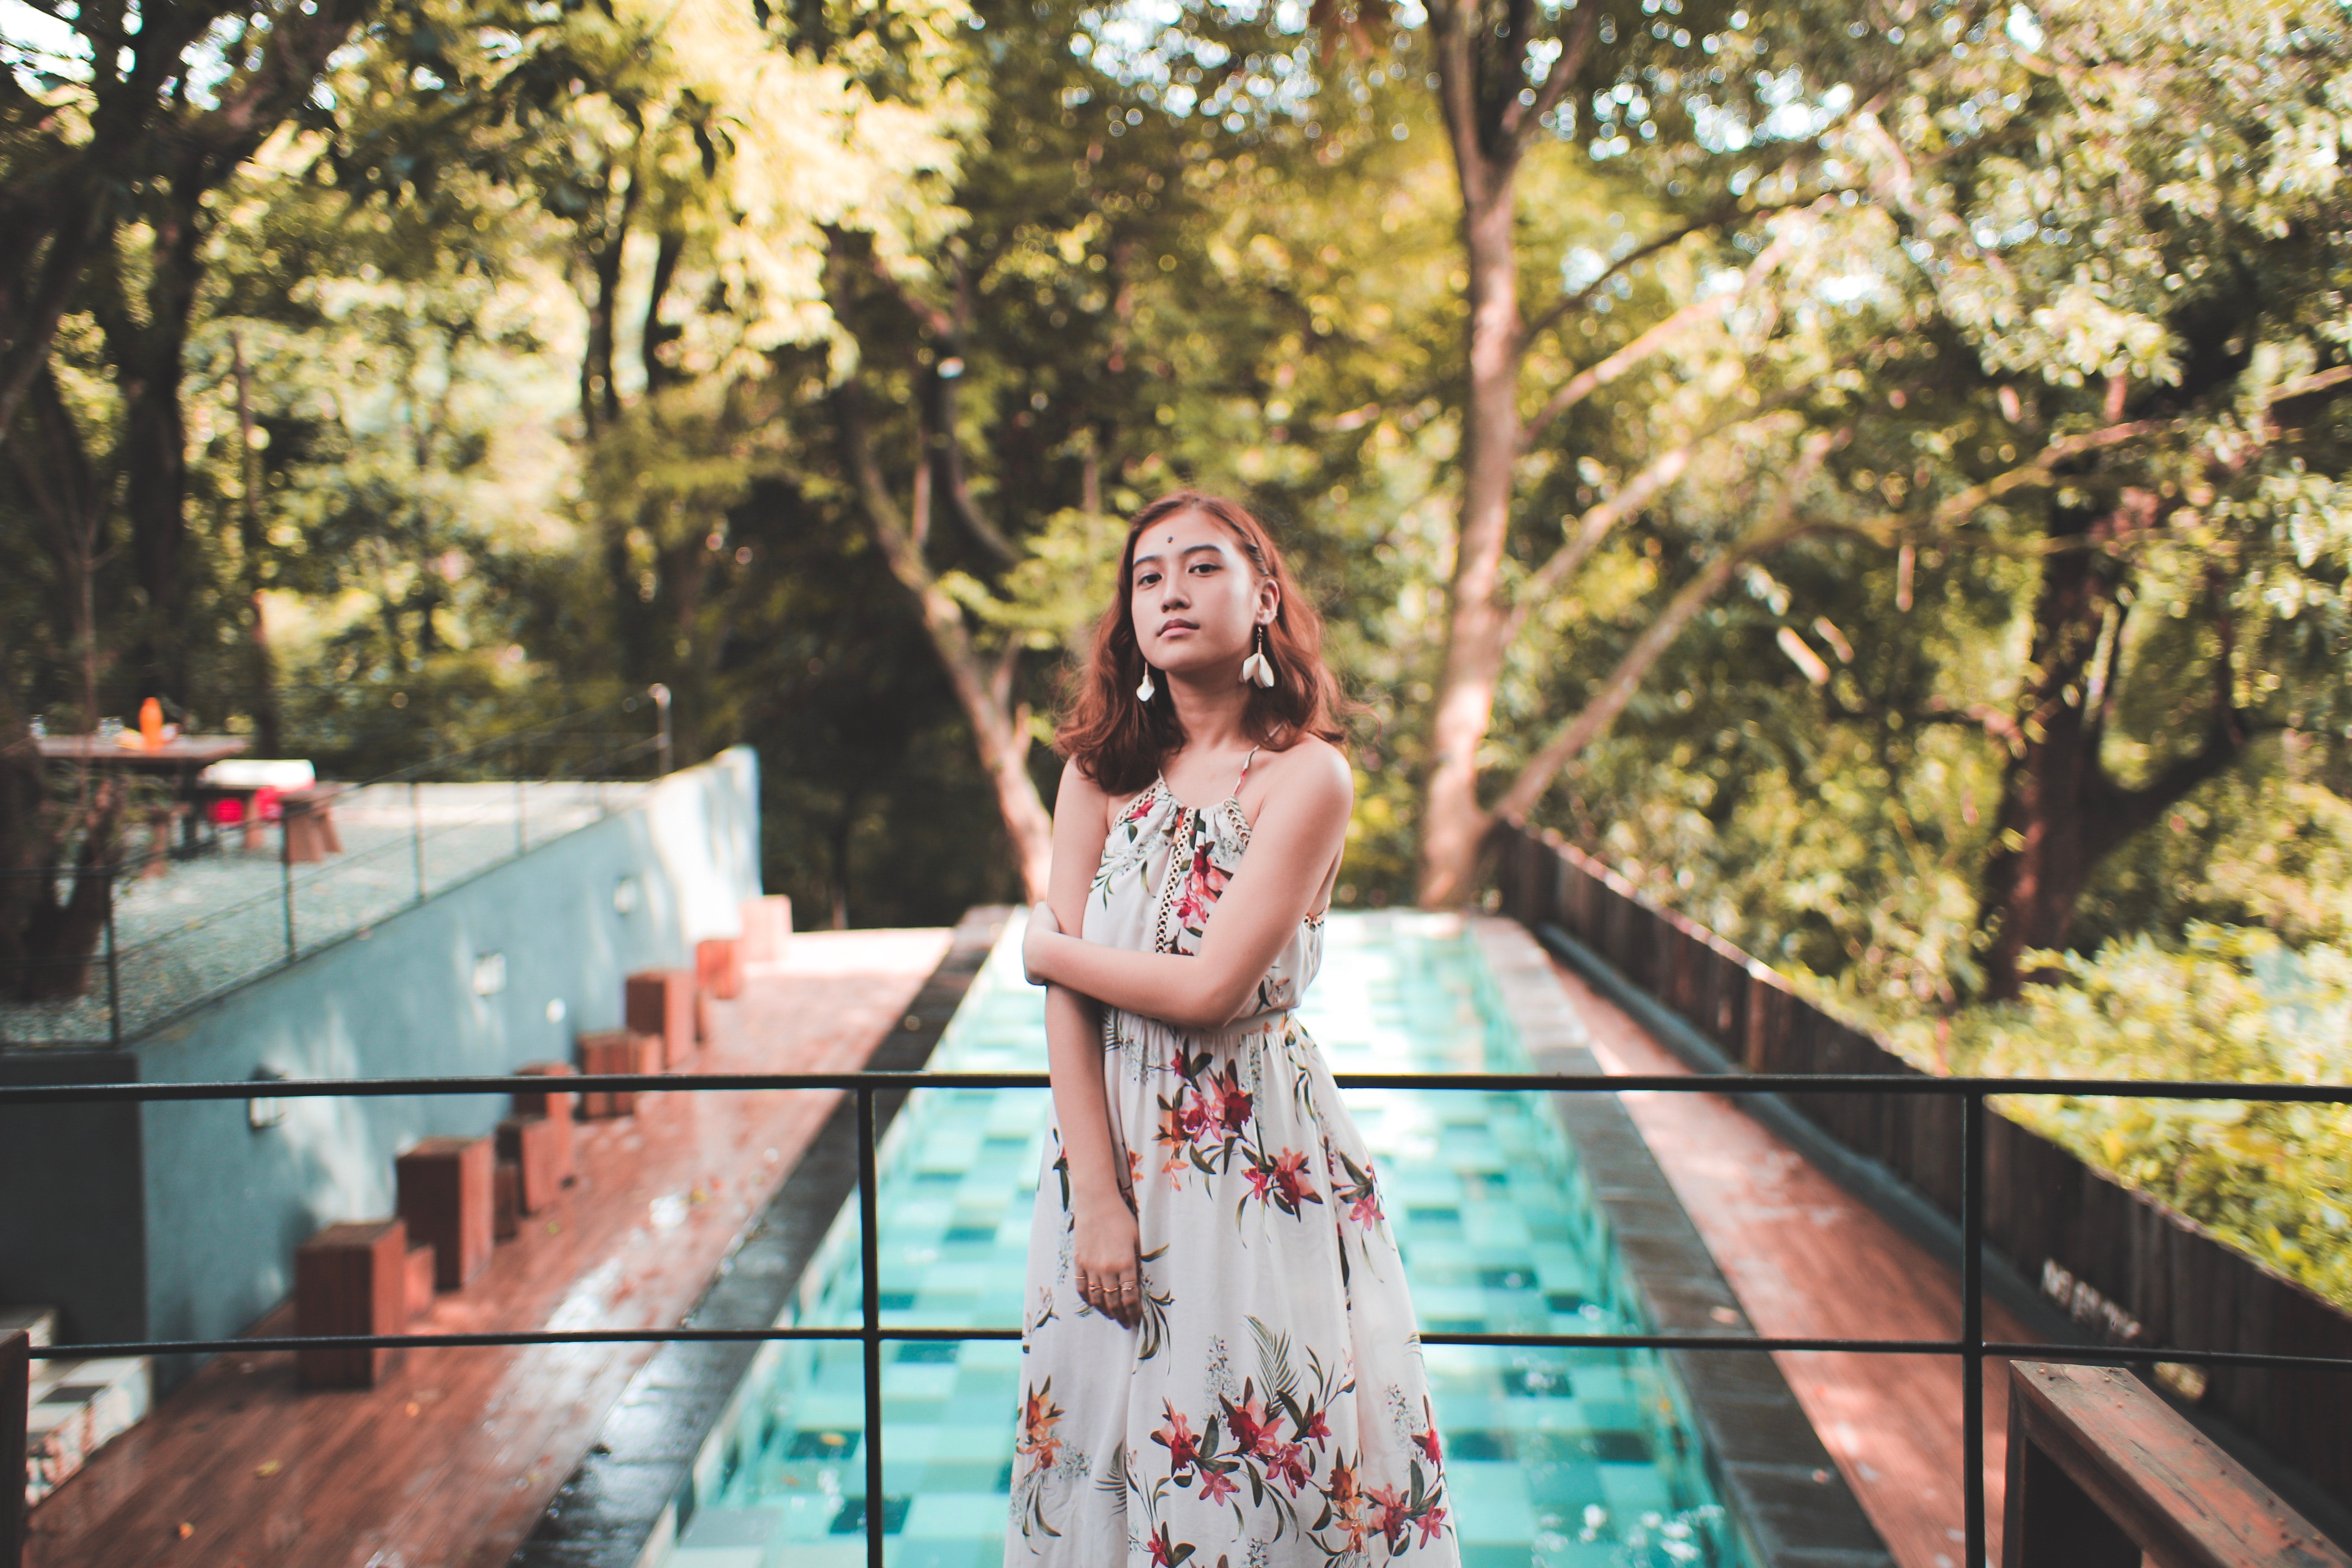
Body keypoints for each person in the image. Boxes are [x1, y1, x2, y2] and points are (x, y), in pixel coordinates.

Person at [1009, 491, 1458, 1566]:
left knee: (1252, 1460)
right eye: (1148, 572)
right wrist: (1098, 1199)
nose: (1170, 589)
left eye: (1201, 567)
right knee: (1104, 1452)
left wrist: (1047, 947)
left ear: (1264, 599)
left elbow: (1211, 991)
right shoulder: (1096, 774)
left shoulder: (1307, 777)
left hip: (1255, 1158)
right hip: (1104, 1153)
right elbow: (1072, 1016)